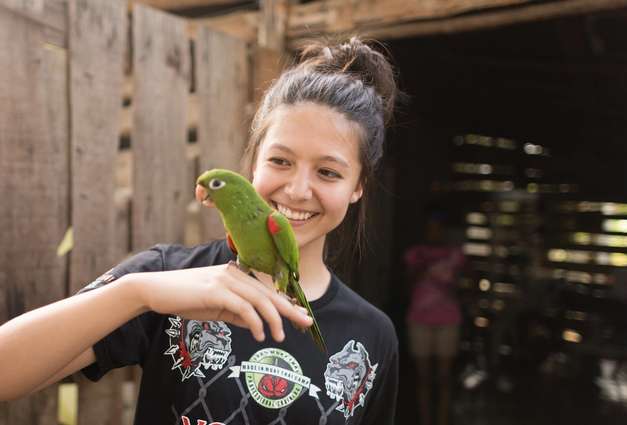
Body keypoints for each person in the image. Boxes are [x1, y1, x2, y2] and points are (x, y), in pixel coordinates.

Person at [0, 37, 399, 425]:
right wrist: (137, 293)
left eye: (328, 172)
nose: (297, 190)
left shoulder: (373, 337)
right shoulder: (167, 278)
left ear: (358, 187)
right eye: (280, 161)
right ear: (254, 163)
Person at [404, 211, 465, 425]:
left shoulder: (455, 255)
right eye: (431, 227)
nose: (435, 232)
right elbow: (408, 283)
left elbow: (466, 285)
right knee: (423, 378)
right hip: (420, 319)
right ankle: (425, 420)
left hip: (448, 318)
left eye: (438, 228)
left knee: (444, 378)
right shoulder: (415, 254)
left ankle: (442, 420)